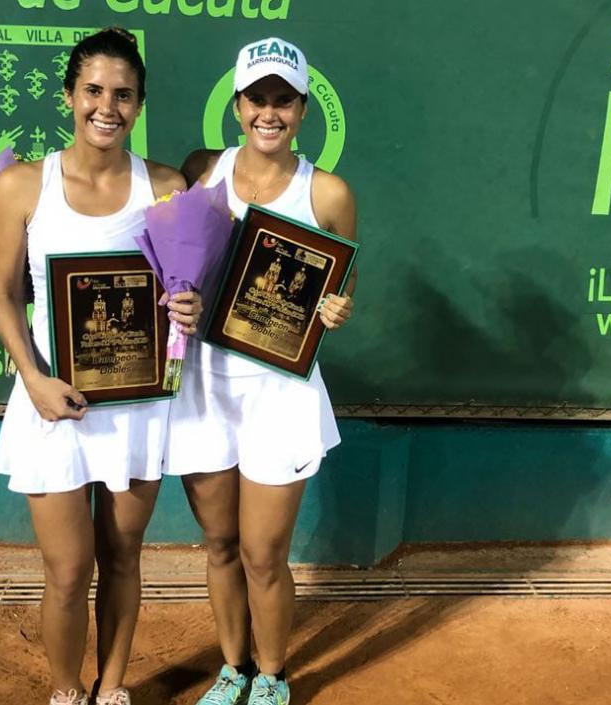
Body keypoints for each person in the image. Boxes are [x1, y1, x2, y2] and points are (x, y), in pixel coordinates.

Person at [0, 28, 200, 705]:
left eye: (123, 95)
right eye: (94, 91)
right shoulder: (22, 185)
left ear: (139, 104)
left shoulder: (166, 186)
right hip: (52, 401)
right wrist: (34, 379)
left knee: (123, 556)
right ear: (70, 96)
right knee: (69, 566)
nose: (107, 107)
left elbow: (183, 288)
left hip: (137, 404)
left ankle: (112, 687)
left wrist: (187, 305)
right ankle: (66, 689)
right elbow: (2, 296)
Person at [167, 36, 356, 705]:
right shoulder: (199, 169)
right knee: (218, 544)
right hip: (204, 387)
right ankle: (232, 667)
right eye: (257, 98)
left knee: (261, 554)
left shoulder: (328, 193)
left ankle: (271, 677)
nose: (268, 112)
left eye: (283, 99)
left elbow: (339, 287)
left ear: (303, 109)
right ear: (237, 103)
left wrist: (336, 308)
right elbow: (167, 257)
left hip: (280, 393)